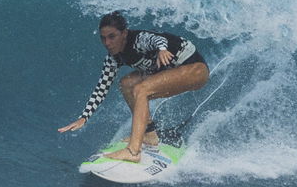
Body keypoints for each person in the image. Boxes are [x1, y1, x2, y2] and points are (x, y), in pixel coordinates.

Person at [56, 12, 210, 163]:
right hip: (171, 72)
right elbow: (101, 88)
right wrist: (84, 117)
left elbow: (157, 39)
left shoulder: (138, 40)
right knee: (127, 84)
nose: (107, 43)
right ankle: (149, 135)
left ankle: (133, 151)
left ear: (124, 33)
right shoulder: (113, 58)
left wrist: (162, 49)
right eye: (103, 38)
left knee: (141, 89)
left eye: (112, 36)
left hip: (195, 70)